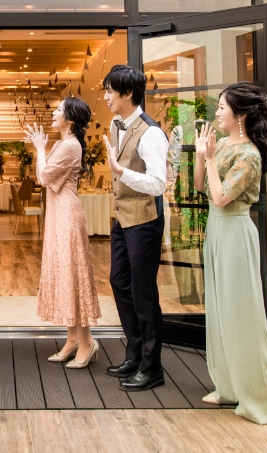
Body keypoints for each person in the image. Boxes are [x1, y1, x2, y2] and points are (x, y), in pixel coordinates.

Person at [195, 83, 267, 424]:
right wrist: (201, 155)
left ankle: (265, 400)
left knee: (242, 313)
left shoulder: (249, 154)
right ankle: (228, 387)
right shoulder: (222, 145)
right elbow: (201, 187)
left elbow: (222, 198)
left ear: (241, 114)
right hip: (217, 230)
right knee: (221, 311)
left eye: (222, 107)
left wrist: (210, 160)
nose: (217, 112)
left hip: (235, 231)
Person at [101, 64, 168, 391]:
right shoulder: (117, 125)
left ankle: (152, 368)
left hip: (144, 221)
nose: (106, 97)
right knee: (119, 282)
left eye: (110, 91)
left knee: (143, 292)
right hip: (123, 218)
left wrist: (120, 171)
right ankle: (135, 354)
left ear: (127, 93)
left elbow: (158, 184)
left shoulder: (151, 133)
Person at [25, 97, 102, 368]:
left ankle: (88, 341)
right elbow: (45, 177)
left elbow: (44, 177)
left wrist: (39, 148)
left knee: (73, 275)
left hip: (67, 215)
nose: (54, 112)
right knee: (65, 275)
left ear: (69, 117)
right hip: (59, 214)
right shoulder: (63, 143)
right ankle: (72, 339)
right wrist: (43, 149)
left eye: (59, 109)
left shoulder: (70, 145)